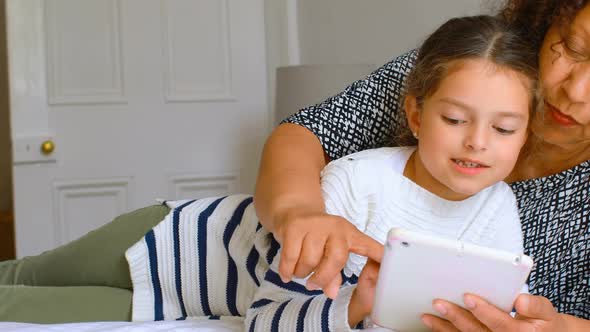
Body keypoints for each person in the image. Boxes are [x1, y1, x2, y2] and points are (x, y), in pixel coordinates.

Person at [254, 0, 590, 331]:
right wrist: (298, 211)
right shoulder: (473, 59)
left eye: (503, 128)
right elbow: (305, 133)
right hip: (222, 240)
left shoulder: (500, 211)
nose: (576, 90)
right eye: (573, 48)